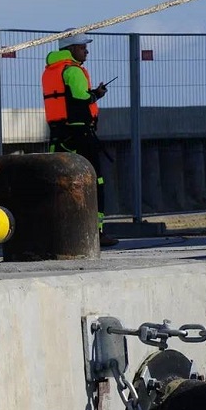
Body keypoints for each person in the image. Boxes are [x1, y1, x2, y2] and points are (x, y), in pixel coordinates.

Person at [42, 29, 118, 248]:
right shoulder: (73, 71)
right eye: (83, 47)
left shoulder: (50, 71)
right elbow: (80, 98)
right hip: (80, 134)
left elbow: (65, 99)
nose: (86, 51)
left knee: (59, 183)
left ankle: (58, 230)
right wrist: (97, 94)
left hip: (59, 134)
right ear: (71, 49)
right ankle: (97, 231)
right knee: (95, 180)